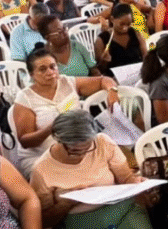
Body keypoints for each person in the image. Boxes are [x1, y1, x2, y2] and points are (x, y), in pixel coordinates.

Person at [29, 110, 157, 229]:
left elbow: (126, 177)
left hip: (121, 212)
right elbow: (44, 219)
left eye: (88, 147)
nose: (82, 155)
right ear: (58, 140)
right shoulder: (42, 169)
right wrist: (66, 204)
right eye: (74, 151)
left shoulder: (102, 142)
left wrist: (138, 185)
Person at [13, 47, 118, 177]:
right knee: (69, 180)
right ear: (31, 74)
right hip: (42, 155)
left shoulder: (67, 82)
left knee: (110, 166)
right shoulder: (25, 98)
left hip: (77, 149)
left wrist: (112, 90)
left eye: (53, 67)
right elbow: (25, 141)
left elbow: (103, 80)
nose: (50, 72)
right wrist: (52, 128)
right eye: (42, 69)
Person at [94, 3, 146, 77]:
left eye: (128, 24)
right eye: (121, 24)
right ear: (112, 19)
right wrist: (104, 61)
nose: (125, 28)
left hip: (137, 75)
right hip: (115, 78)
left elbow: (145, 55)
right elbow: (100, 71)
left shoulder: (135, 33)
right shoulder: (102, 40)